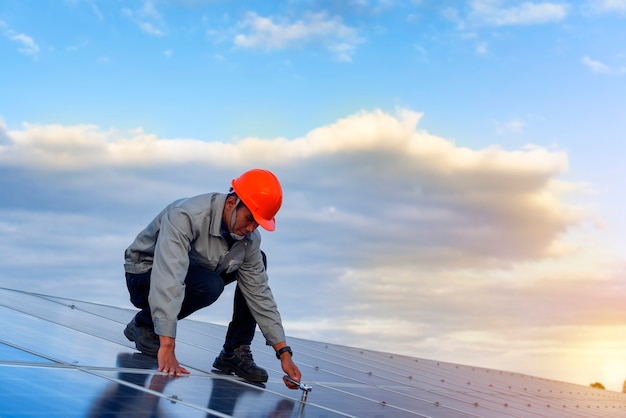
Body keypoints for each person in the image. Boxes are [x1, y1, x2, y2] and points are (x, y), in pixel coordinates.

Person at [122, 168, 301, 389]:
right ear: (231, 203)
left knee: (257, 262)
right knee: (209, 285)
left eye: (258, 224)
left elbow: (259, 292)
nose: (251, 228)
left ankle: (234, 351)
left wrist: (283, 352)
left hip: (192, 272)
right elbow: (169, 274)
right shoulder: (186, 216)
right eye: (250, 219)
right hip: (144, 274)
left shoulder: (249, 240)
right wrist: (167, 344)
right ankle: (144, 325)